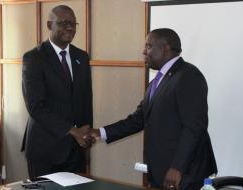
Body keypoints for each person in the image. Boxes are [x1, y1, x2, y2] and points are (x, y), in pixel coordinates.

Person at [90, 28, 217, 190]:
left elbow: (194, 127)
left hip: (186, 174)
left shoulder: (188, 76)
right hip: (161, 171)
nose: (144, 51)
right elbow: (138, 119)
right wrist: (99, 133)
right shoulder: (156, 82)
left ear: (165, 48)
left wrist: (177, 168)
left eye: (149, 46)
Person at [21, 5, 93, 179]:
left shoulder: (81, 57)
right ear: (49, 25)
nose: (69, 27)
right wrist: (72, 130)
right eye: (63, 23)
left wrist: (86, 135)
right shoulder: (34, 58)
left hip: (76, 149)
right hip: (44, 149)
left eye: (73, 23)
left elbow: (86, 100)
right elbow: (35, 107)